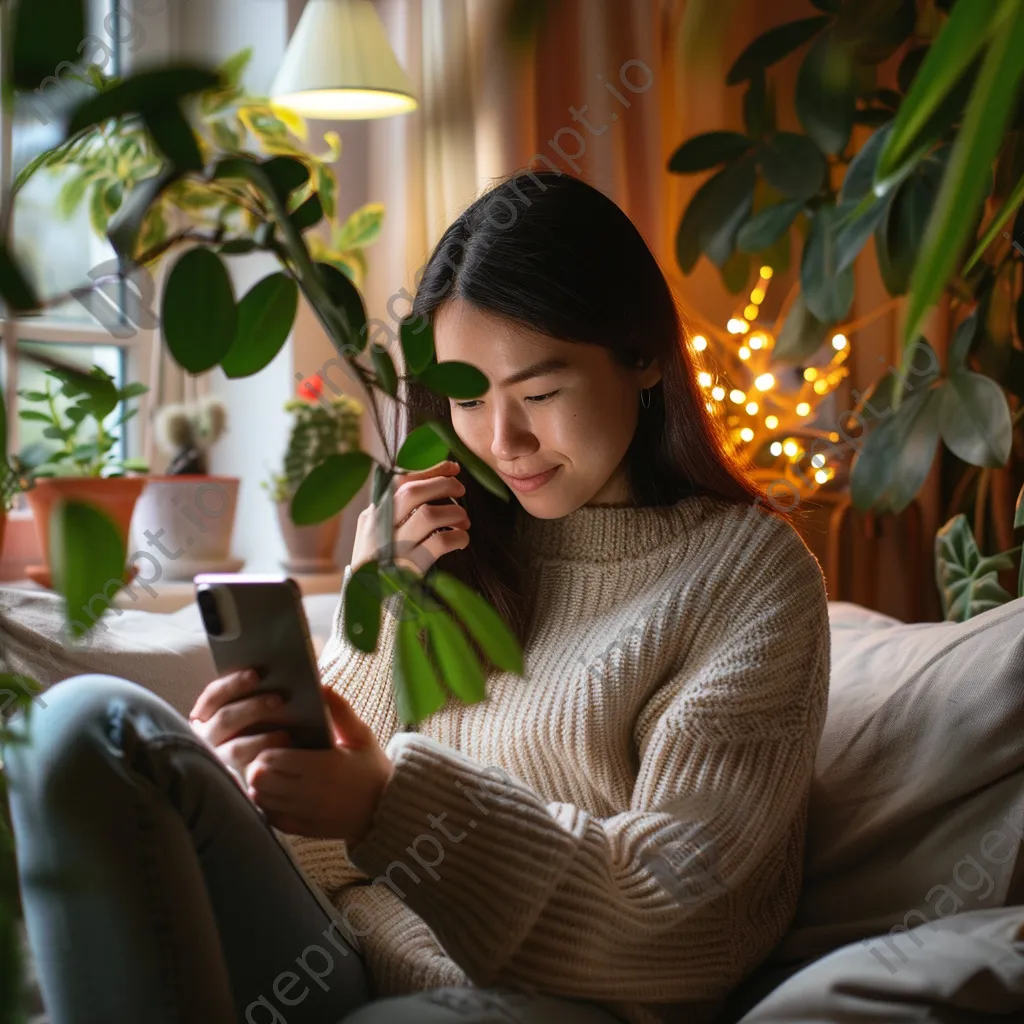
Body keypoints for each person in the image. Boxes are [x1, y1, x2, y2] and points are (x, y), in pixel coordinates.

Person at [3, 169, 831, 1024]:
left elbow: (682, 922)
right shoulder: (449, 545)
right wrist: (362, 628)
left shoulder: (750, 578)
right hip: (338, 958)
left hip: (544, 1000)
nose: (503, 441)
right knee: (79, 723)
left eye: (540, 393)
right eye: (468, 398)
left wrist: (387, 799)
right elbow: (322, 861)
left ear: (643, 354)